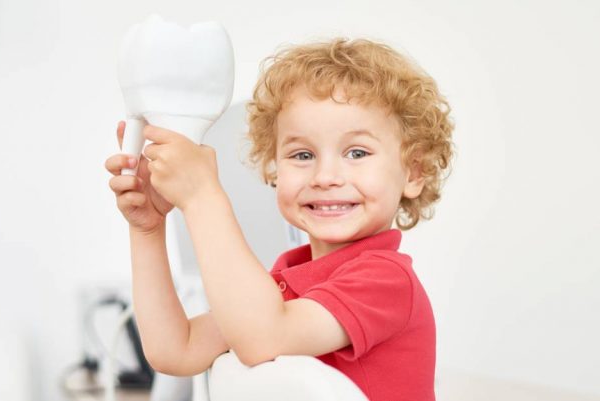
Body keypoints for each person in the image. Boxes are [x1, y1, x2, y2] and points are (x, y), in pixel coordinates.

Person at [104, 37, 454, 400]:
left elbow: (264, 338)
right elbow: (177, 348)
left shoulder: (387, 281)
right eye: (302, 155)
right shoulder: (282, 287)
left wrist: (202, 196)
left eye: (357, 152)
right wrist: (147, 228)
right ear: (274, 169)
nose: (325, 176)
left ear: (413, 173)